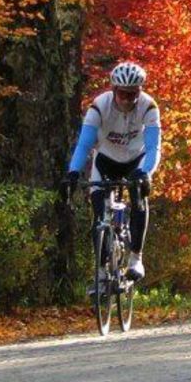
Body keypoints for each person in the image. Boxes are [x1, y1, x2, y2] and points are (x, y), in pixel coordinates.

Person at [66, 62, 161, 283]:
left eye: (132, 94)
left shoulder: (148, 107)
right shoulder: (99, 107)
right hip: (106, 160)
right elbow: (84, 145)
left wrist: (146, 172)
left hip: (135, 161)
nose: (127, 100)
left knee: (139, 198)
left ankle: (136, 258)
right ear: (113, 89)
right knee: (99, 216)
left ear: (139, 91)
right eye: (122, 94)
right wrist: (73, 172)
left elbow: (153, 146)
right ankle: (100, 272)